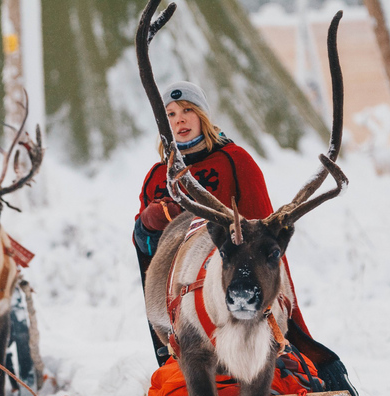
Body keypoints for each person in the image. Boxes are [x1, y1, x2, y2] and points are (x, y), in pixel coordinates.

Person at [133, 81, 311, 366]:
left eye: (187, 110)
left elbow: (264, 235)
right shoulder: (158, 176)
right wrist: (148, 224)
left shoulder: (235, 161)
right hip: (182, 296)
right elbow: (146, 251)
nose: (179, 119)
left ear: (202, 115)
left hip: (235, 287)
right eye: (170, 114)